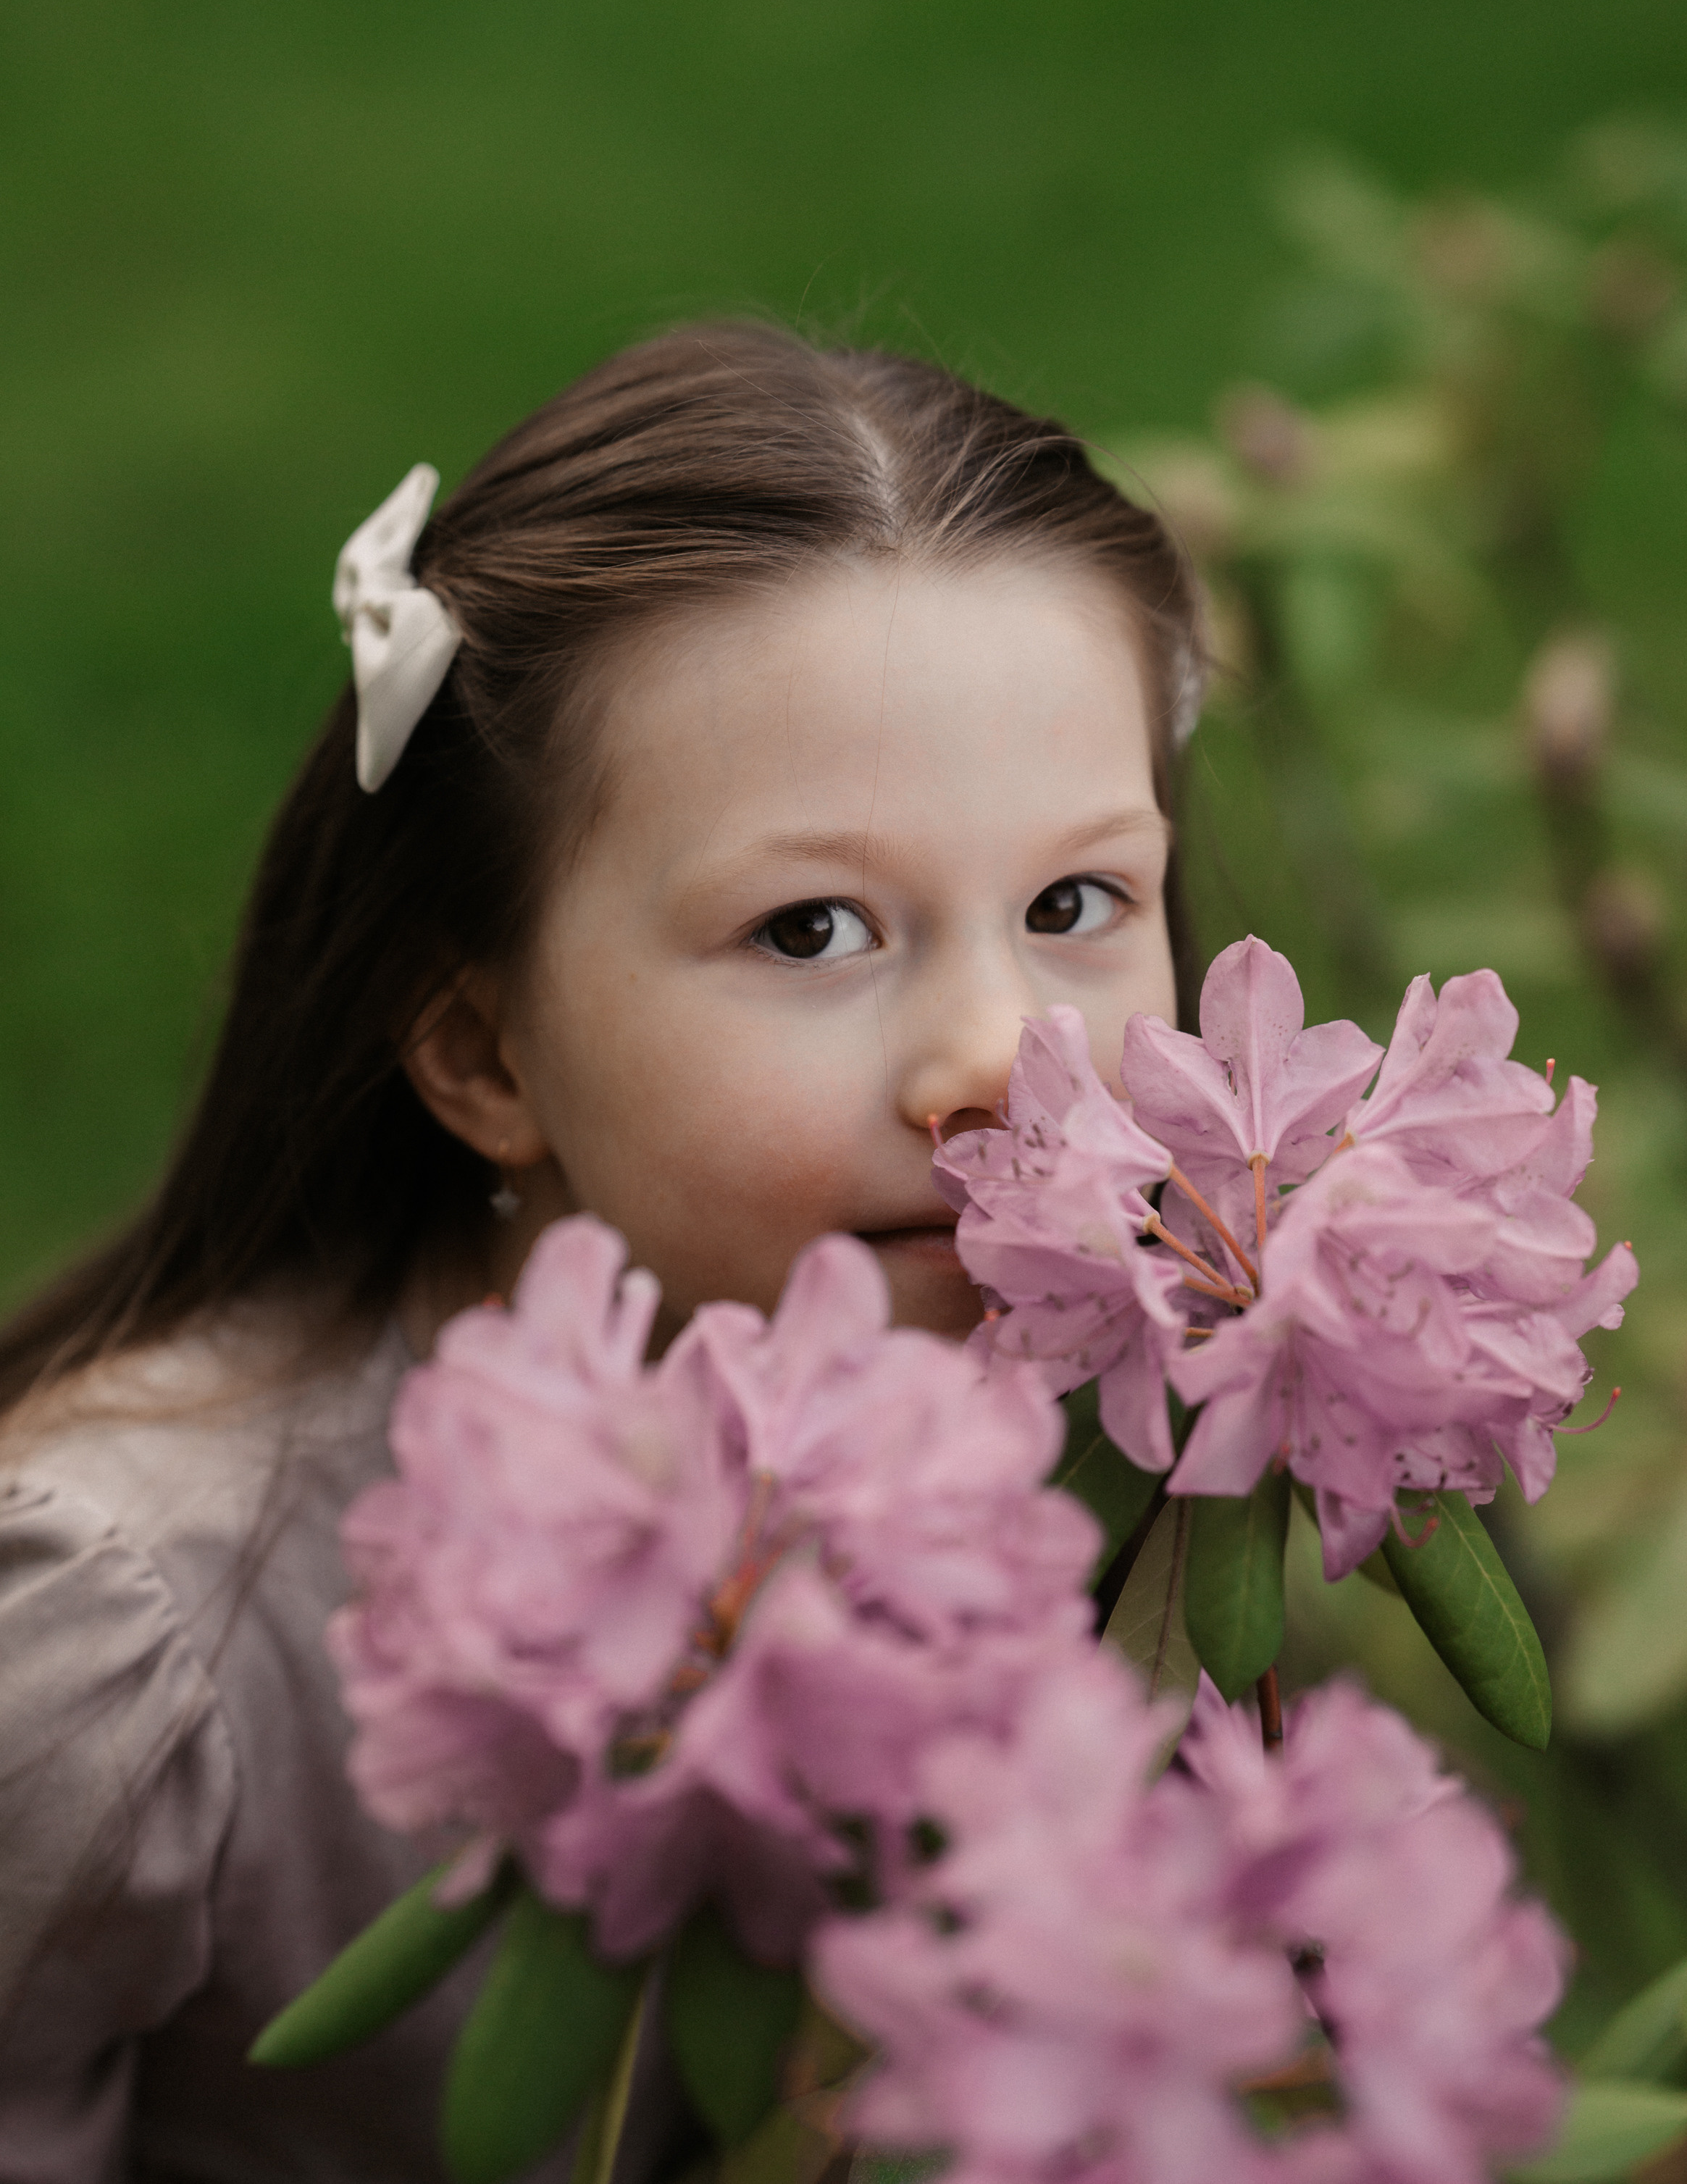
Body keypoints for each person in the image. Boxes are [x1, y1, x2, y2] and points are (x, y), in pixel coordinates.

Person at [0, 323, 1202, 2184]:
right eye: (812, 928)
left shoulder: (1148, 1432)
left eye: (1073, 903)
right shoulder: (130, 1640)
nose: (1002, 1058)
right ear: (483, 1053)